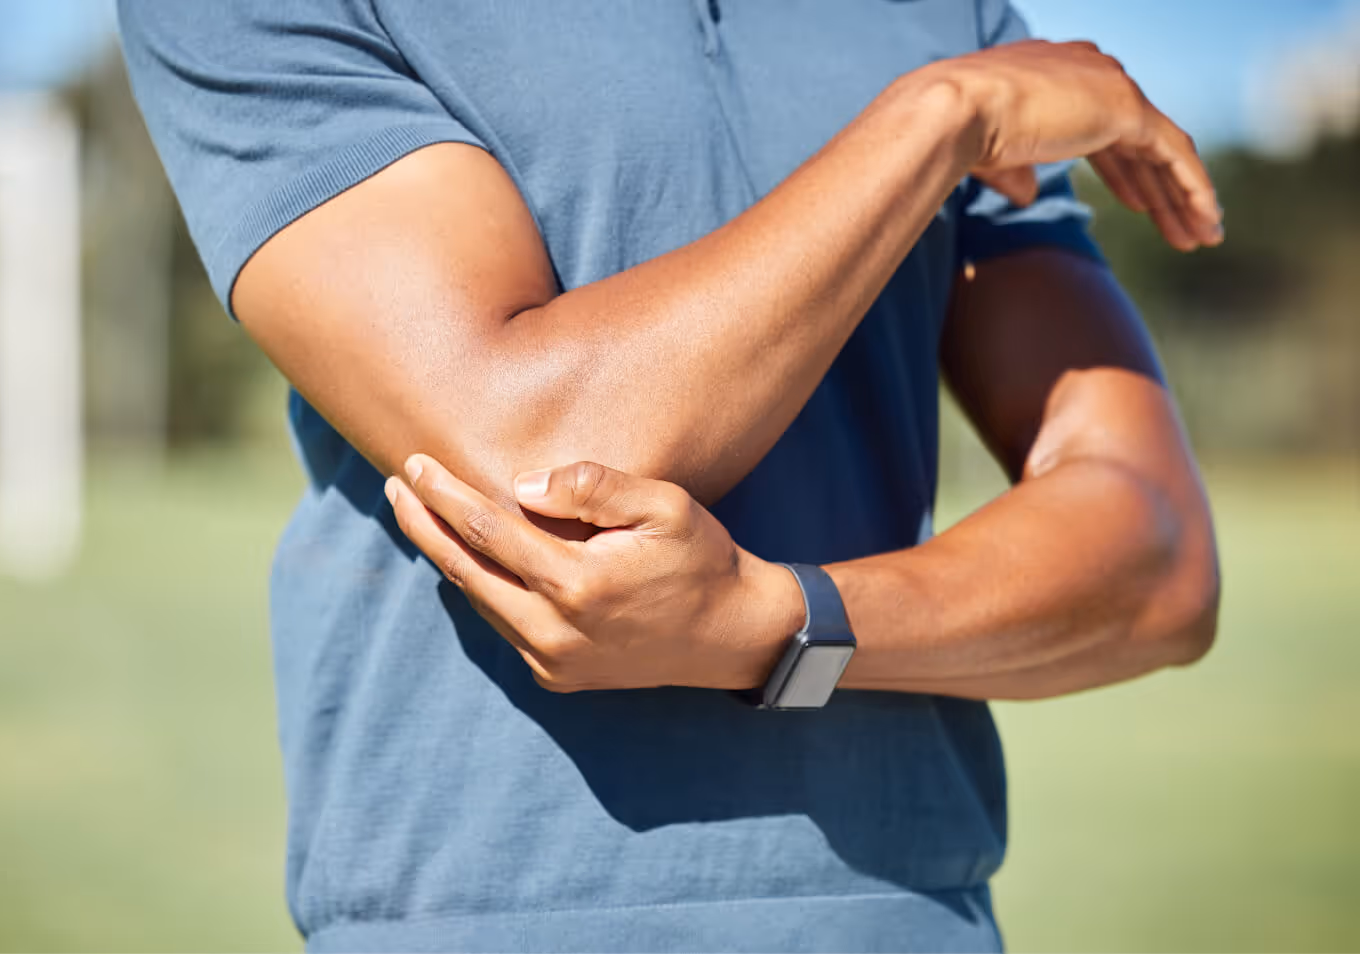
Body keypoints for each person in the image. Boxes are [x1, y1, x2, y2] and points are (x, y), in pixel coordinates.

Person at [119, 1, 1222, 950]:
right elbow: (541, 461)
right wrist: (937, 120)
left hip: (907, 915)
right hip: (483, 917)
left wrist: (776, 626)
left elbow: (1158, 561)